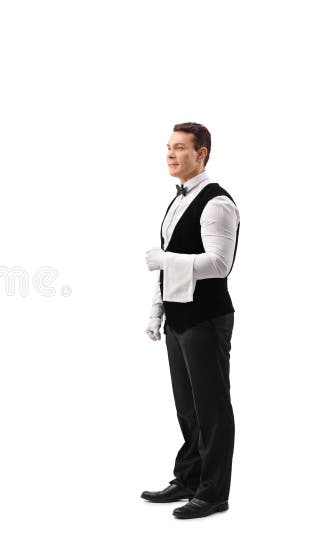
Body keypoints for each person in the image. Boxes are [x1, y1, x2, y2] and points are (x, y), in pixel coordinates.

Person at [141, 123, 240, 519]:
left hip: (207, 318)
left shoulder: (217, 203)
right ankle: (189, 478)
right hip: (179, 320)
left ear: (202, 154)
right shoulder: (178, 200)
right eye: (168, 147)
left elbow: (219, 264)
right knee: (188, 408)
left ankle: (214, 493)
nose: (170, 154)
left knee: (212, 408)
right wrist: (156, 310)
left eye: (180, 148)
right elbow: (173, 262)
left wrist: (163, 260)